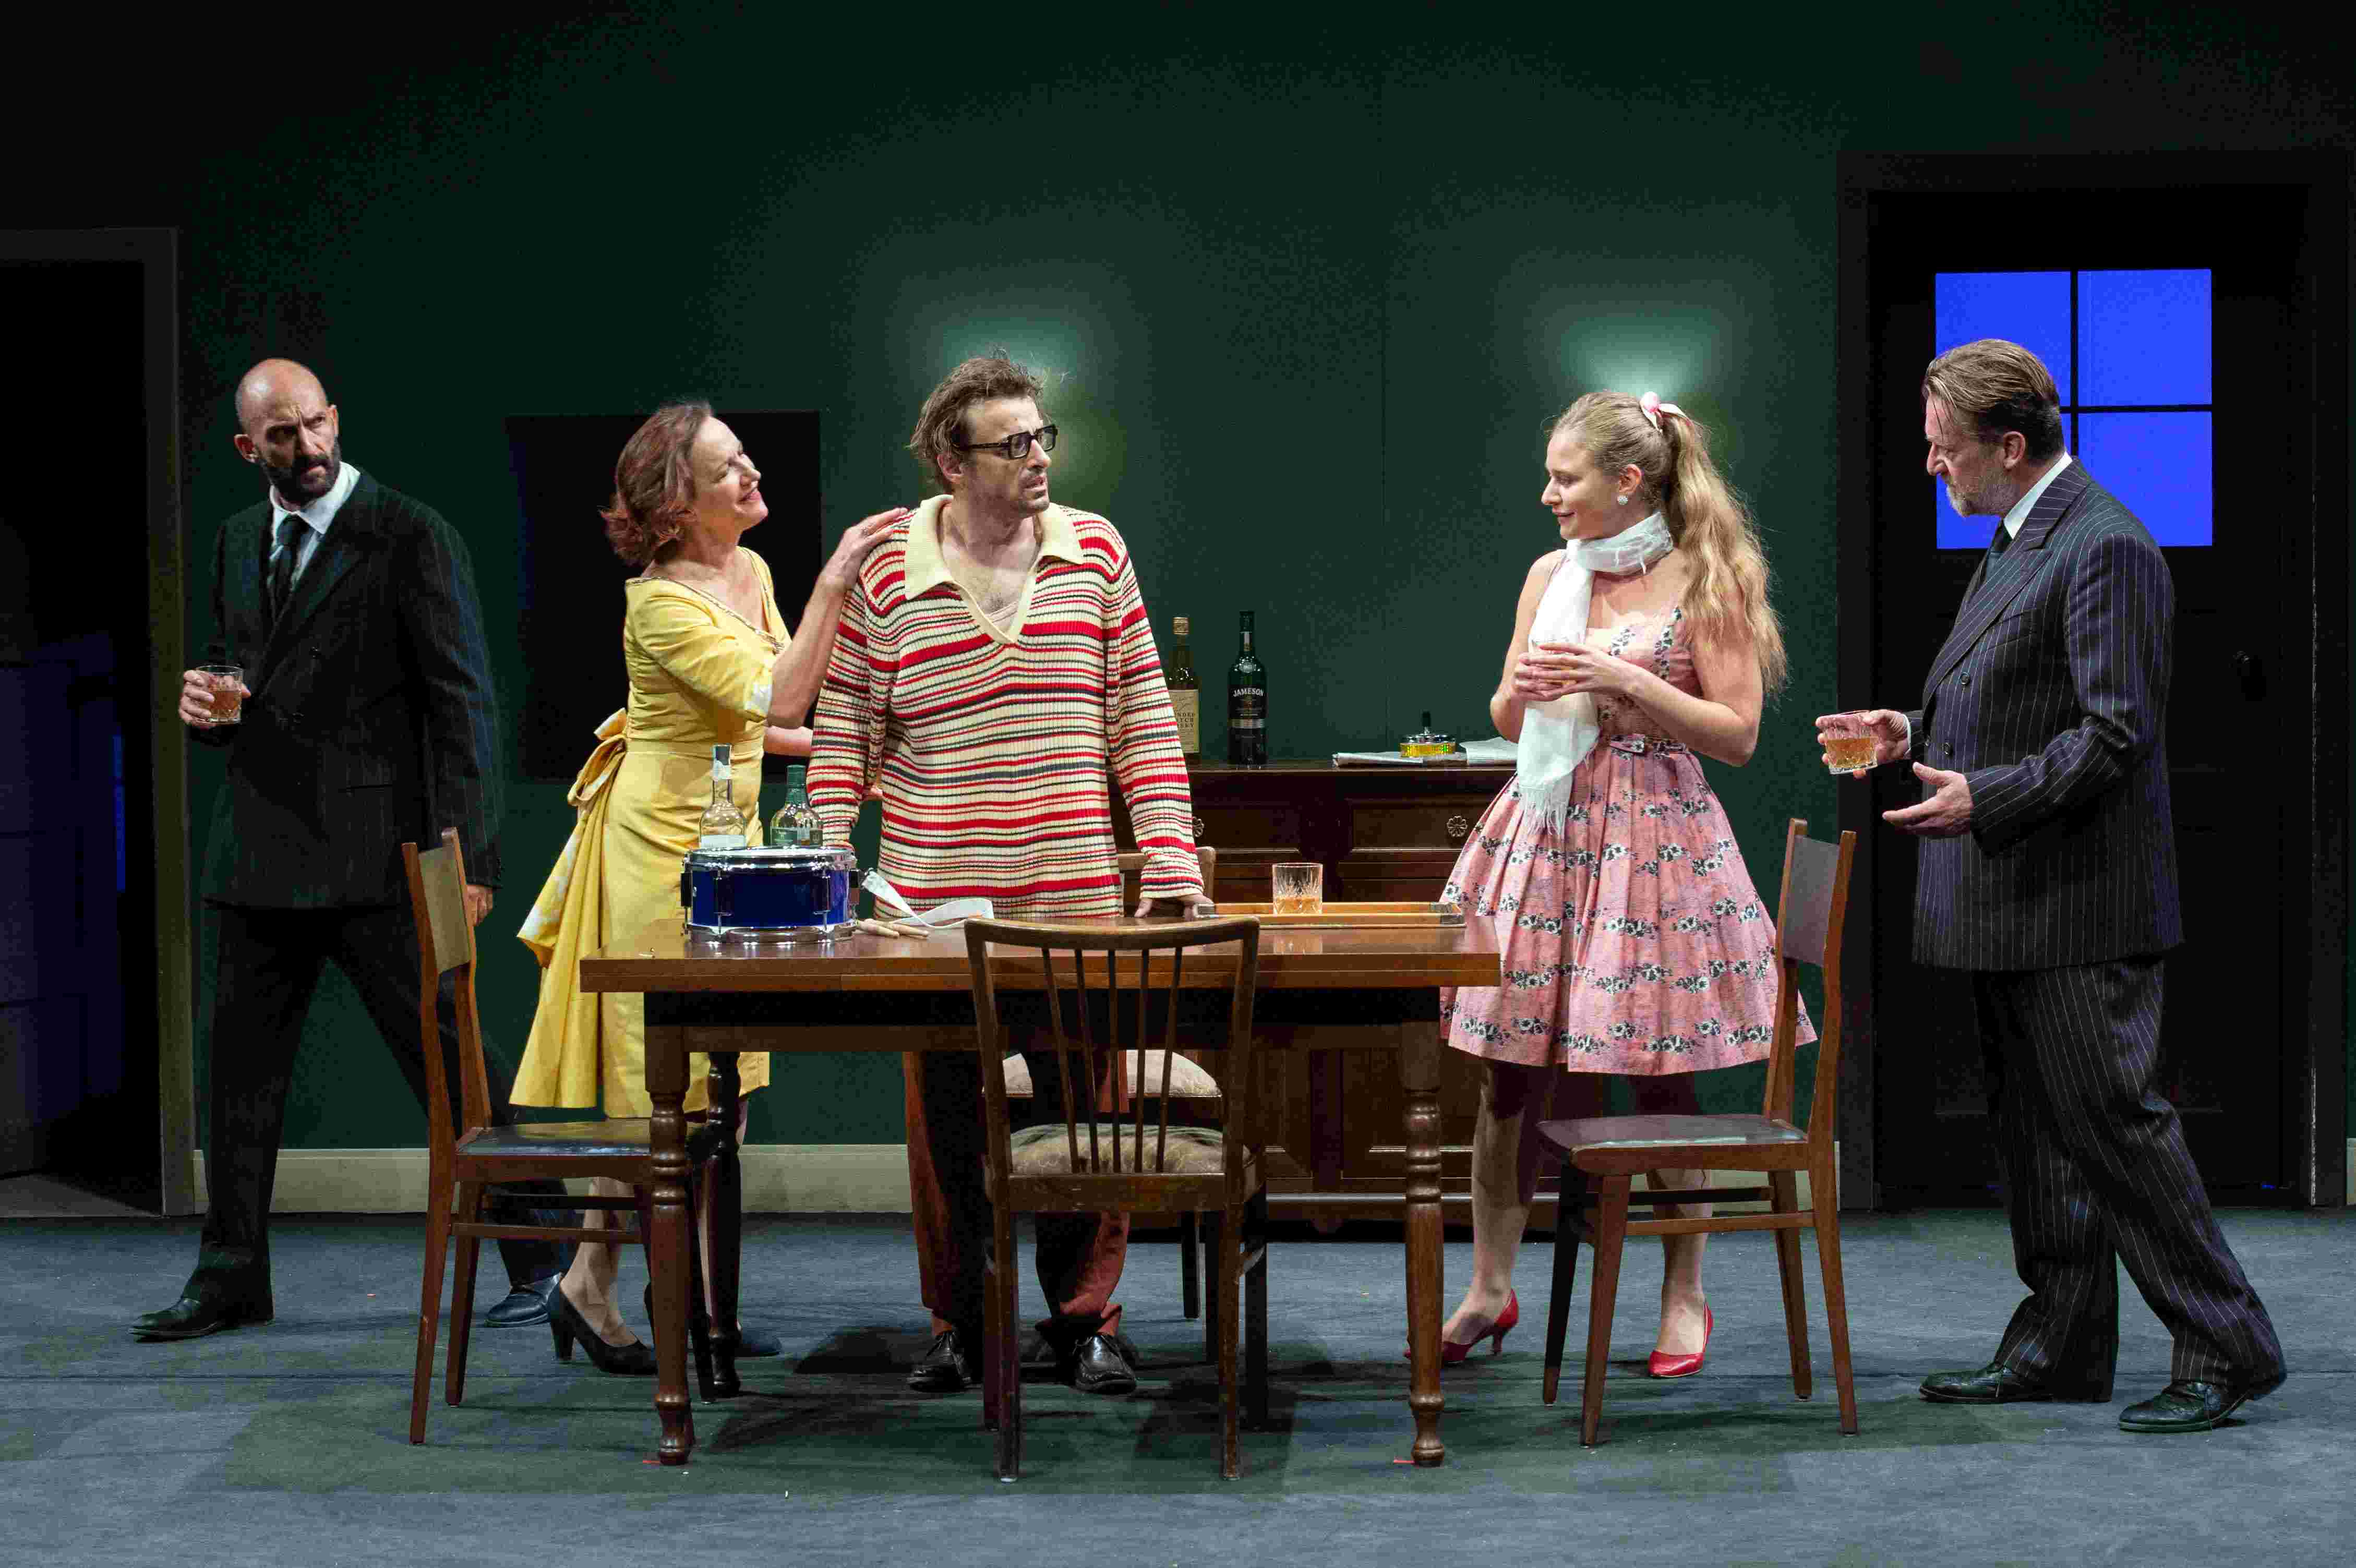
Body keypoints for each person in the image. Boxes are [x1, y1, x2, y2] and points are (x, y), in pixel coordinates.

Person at [1820, 338, 2285, 1433]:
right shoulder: (2020, 537)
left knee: (2117, 1129)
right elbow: (2021, 693)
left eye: (1944, 447)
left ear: (2008, 445)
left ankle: (2228, 1346)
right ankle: (2061, 1345)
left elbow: (2113, 732)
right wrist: (1914, 730)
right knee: (2037, 1136)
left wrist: (1982, 797)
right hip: (2011, 903)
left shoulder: (2104, 545)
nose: (1932, 465)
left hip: (2078, 903)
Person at [808, 355, 1210, 1399]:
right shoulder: (889, 573)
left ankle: (1085, 1321)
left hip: (1072, 898)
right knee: (946, 1123)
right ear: (953, 462)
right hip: (933, 908)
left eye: (1043, 438)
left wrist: (1169, 851)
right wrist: (829, 849)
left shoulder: (1094, 551)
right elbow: (844, 725)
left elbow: (1142, 716)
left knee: (1088, 1120)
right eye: (1013, 442)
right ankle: (959, 1321)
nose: (1038, 458)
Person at [140, 359, 566, 1340]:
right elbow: (239, 672)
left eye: (317, 424)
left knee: (456, 1060)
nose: (309, 447)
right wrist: (206, 706)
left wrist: (473, 859)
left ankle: (544, 1259)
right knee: (238, 1084)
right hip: (256, 853)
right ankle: (230, 1277)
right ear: (249, 448)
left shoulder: (411, 532)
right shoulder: (237, 538)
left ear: (335, 417)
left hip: (382, 856)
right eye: (282, 436)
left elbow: (465, 703)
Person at [511, 402, 901, 1371]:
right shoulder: (658, 604)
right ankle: (663, 1299)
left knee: (712, 1089)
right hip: (659, 852)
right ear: (678, 504)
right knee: (666, 1087)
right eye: (728, 467)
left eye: (745, 456)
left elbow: (772, 716)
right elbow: (782, 691)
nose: (751, 473)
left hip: (731, 841)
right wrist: (837, 578)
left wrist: (858, 756)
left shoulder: (750, 570)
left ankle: (635, 1292)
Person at [1438, 389, 1800, 1378]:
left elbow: (1739, 733)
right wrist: (1523, 690)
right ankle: (1490, 1286)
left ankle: (1684, 1296)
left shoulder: (1706, 575)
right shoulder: (1550, 574)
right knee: (1508, 1070)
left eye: (1567, 477)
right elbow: (1508, 714)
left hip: (1655, 843)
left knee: (1662, 1072)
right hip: (1549, 830)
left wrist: (1625, 678)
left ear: (1628, 481)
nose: (1549, 494)